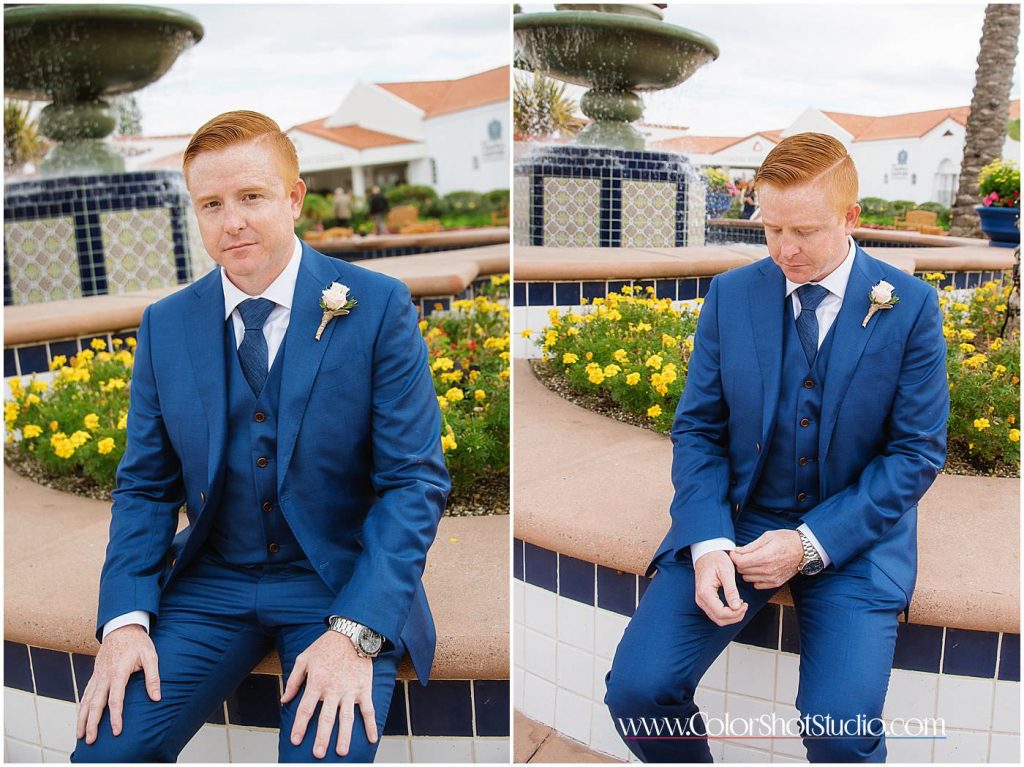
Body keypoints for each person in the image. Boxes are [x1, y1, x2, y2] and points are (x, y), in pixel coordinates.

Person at [71, 111, 450, 763]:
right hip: (213, 581)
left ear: (295, 197)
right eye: (211, 204)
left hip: (338, 578)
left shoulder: (377, 305)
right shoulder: (166, 324)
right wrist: (126, 616)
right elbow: (144, 485)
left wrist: (358, 630)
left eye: (251, 196)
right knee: (103, 751)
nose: (232, 221)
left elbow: (414, 481)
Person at [604, 132, 948, 763]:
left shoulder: (912, 306)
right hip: (737, 521)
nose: (785, 249)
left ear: (850, 219)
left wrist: (809, 543)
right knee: (637, 690)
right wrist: (707, 540)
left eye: (806, 231)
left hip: (854, 538)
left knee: (838, 729)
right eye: (771, 228)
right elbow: (699, 430)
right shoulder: (732, 296)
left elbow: (916, 454)